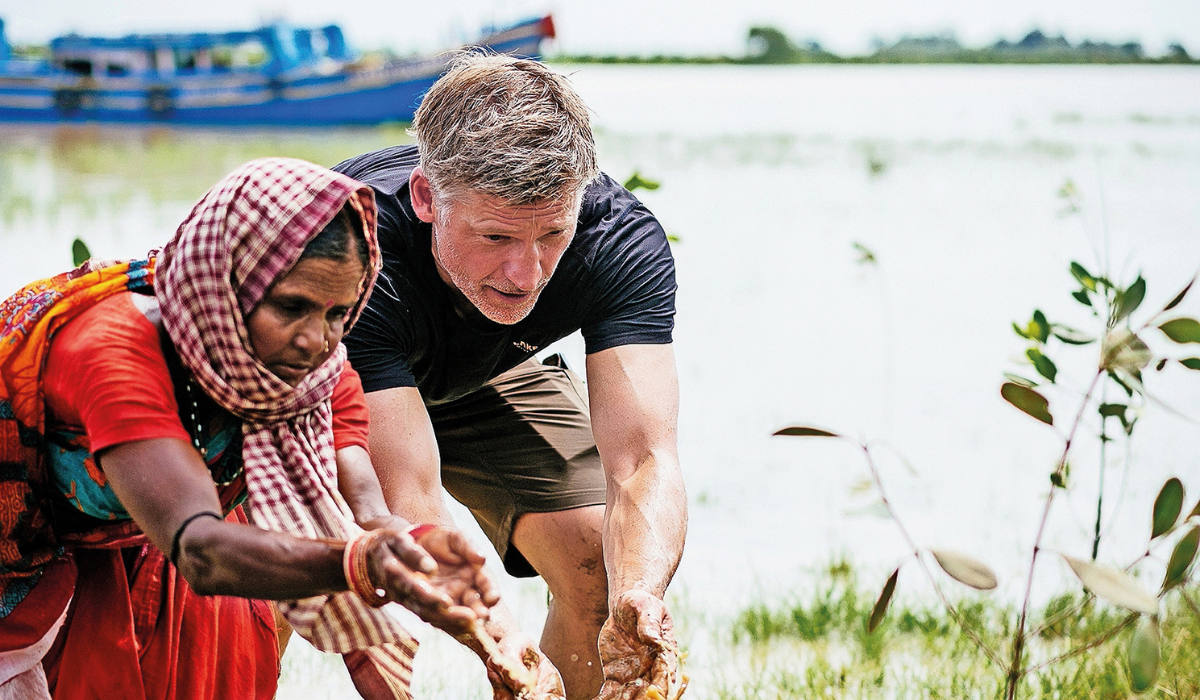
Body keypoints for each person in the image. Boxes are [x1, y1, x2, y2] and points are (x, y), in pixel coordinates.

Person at [0, 158, 502, 700]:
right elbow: (202, 550)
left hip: (151, 539)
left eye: (339, 313)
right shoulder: (112, 353)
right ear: (221, 284)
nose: (318, 341)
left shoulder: (312, 376)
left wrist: (414, 548)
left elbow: (367, 514)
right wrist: (362, 564)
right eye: (292, 307)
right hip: (41, 559)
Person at [333, 53, 687, 700]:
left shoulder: (616, 240)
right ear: (424, 198)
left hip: (487, 370)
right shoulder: (357, 246)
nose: (527, 275)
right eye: (495, 236)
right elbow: (407, 494)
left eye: (552, 233)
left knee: (598, 567)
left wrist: (642, 594)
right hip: (345, 379)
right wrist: (499, 637)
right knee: (259, 588)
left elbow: (642, 459)